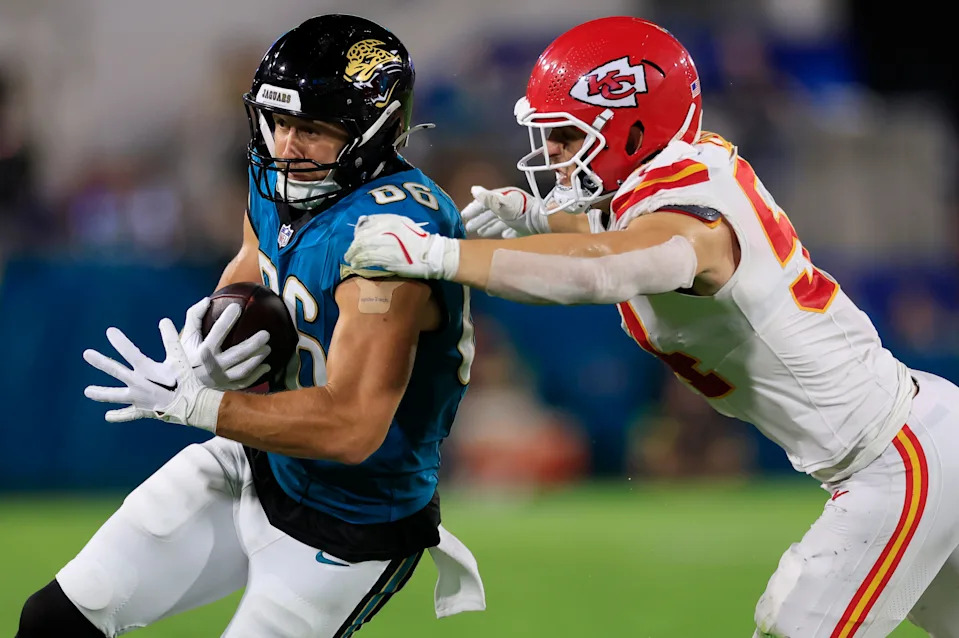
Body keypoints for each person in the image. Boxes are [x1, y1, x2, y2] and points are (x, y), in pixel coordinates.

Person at [344, 15, 959, 637]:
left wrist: (439, 256)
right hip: (909, 438)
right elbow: (622, 236)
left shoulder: (690, 215)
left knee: (793, 624)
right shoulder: (676, 176)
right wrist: (540, 220)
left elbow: (608, 269)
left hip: (895, 458)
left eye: (565, 134)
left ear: (634, 126)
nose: (550, 153)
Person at [17, 14, 484, 637]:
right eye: (280, 122)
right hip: (257, 463)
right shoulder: (286, 177)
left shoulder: (388, 244)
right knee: (54, 621)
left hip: (354, 522)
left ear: (378, 132)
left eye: (312, 129)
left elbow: (351, 426)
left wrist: (200, 404)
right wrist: (208, 339)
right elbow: (253, 258)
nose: (286, 146)